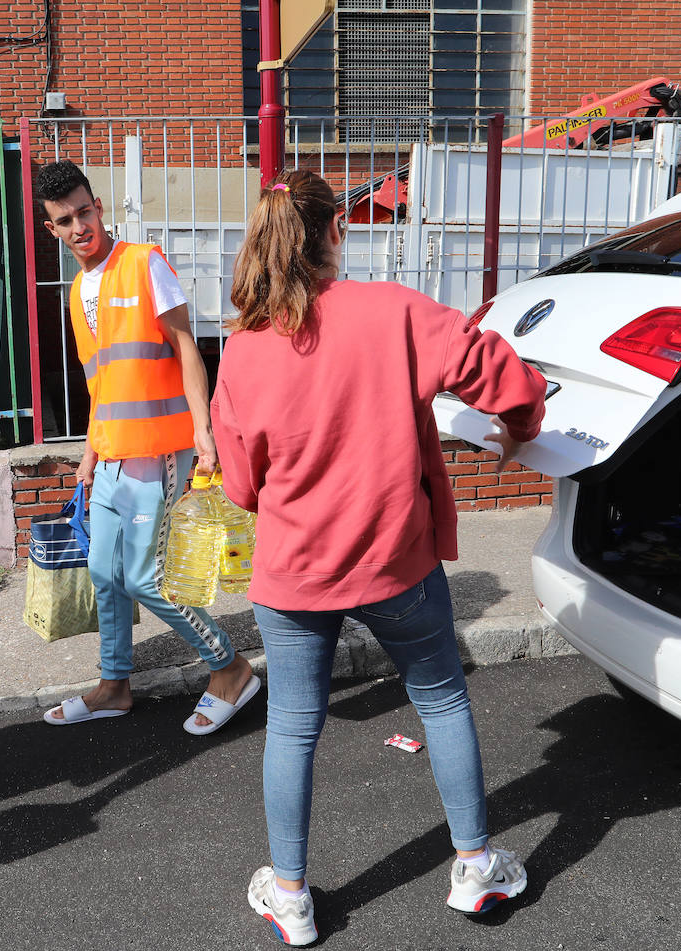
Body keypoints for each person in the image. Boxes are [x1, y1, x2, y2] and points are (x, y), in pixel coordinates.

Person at [211, 170, 547, 945]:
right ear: (337, 231)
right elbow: (499, 371)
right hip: (398, 561)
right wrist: (521, 424)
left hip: (295, 569)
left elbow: (240, 486)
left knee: (293, 726)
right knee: (443, 701)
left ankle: (290, 897)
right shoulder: (394, 310)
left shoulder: (245, 349)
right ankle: (476, 866)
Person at [33, 159, 259, 734]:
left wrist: (204, 433)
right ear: (51, 228)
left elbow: (187, 348)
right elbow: (102, 384)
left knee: (146, 578)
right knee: (105, 575)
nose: (80, 227)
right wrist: (90, 453)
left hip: (160, 453)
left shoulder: (144, 263)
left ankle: (229, 667)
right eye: (66, 221)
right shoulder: (77, 291)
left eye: (85, 212)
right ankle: (114, 686)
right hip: (111, 458)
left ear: (98, 207)